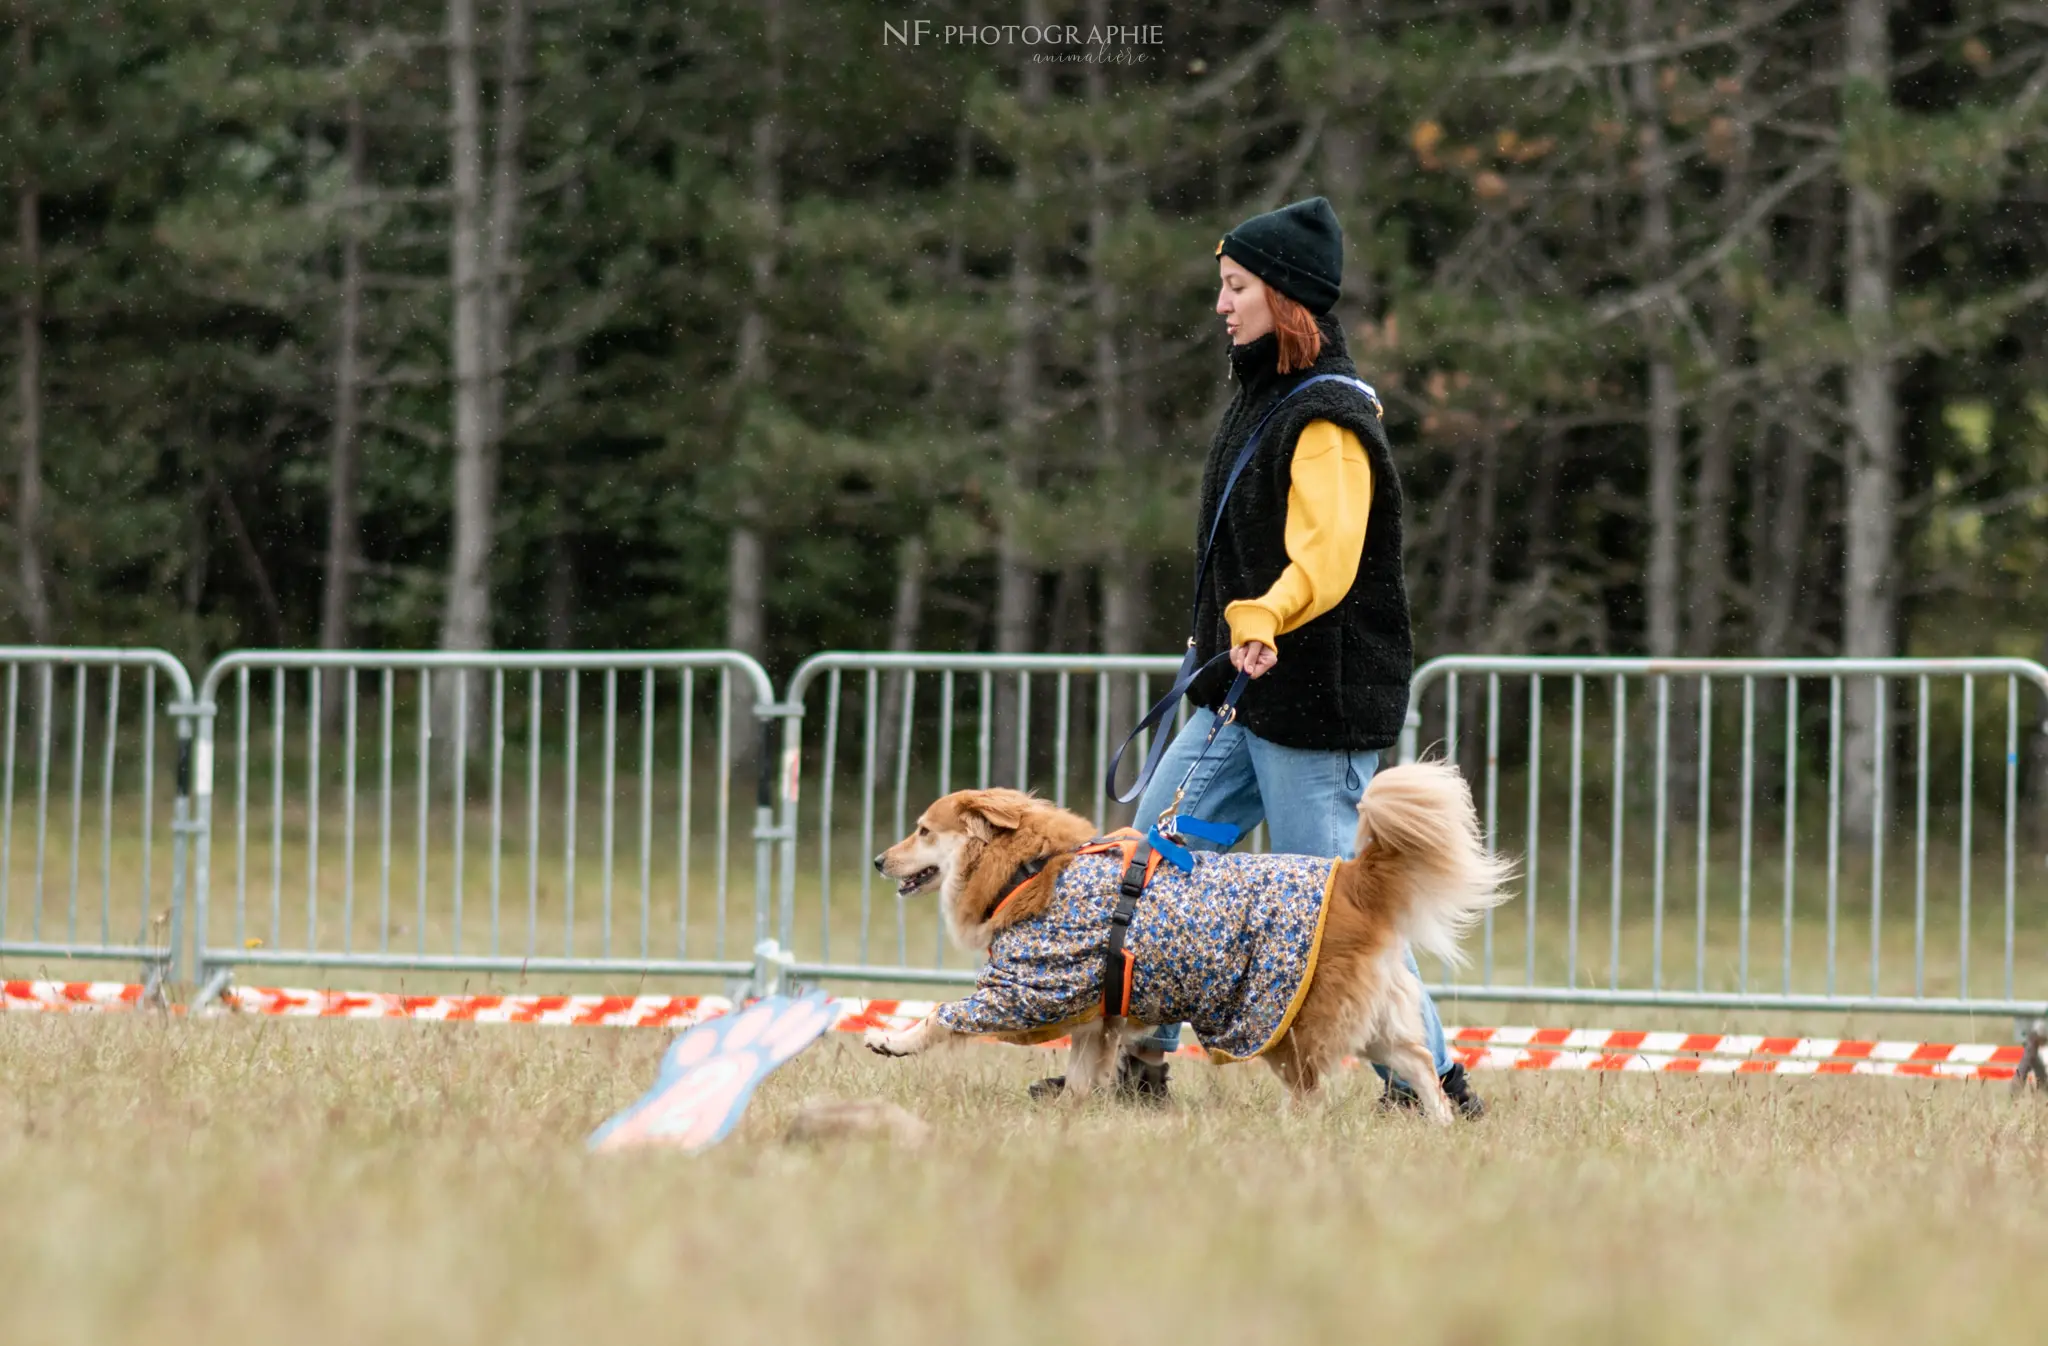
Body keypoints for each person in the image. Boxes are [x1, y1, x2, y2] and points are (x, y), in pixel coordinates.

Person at [1034, 195, 1483, 1117]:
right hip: (1242, 697)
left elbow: (1327, 559)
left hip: (1316, 707)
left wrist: (1261, 616)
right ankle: (1137, 1062)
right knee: (1149, 862)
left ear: (1285, 302)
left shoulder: (1326, 419)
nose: (1220, 303)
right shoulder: (1263, 399)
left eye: (1235, 287)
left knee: (1345, 919)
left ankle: (1430, 1083)